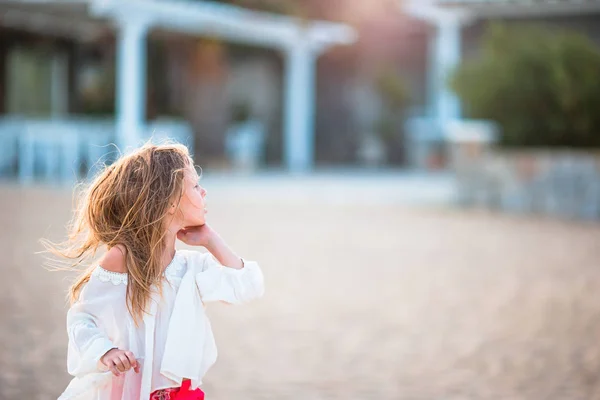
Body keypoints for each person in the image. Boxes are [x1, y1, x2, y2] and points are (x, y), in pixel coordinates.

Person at [45, 142, 265, 400]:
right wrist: (106, 352)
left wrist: (212, 241)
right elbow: (82, 320)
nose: (204, 192)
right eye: (195, 186)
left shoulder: (191, 269)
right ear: (170, 202)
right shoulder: (122, 259)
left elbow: (250, 286)